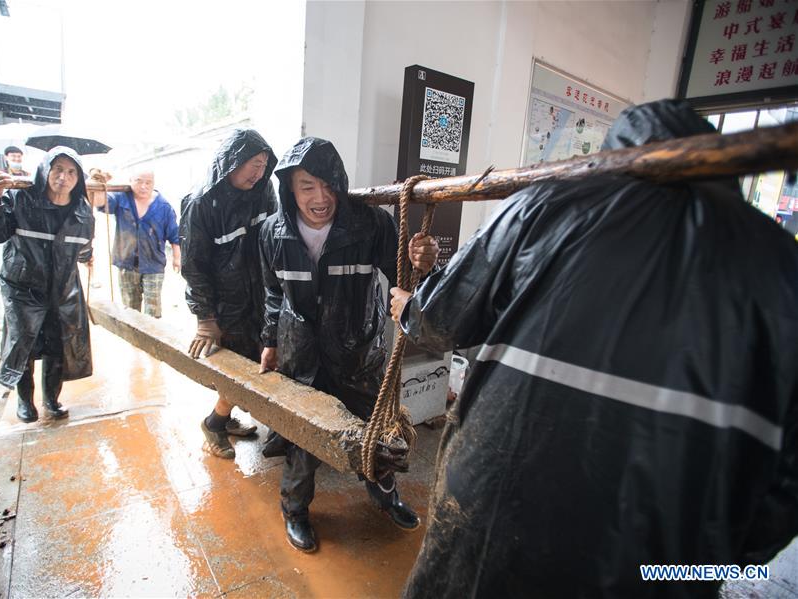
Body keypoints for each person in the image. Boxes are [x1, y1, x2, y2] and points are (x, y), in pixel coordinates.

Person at [389, 100, 798, 598]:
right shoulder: (782, 268)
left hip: (492, 516)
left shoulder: (544, 207)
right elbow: (785, 493)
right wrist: (710, 553)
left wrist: (411, 306)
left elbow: (443, 319)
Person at [258, 137, 439, 553]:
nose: (319, 198)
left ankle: (385, 496)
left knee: (375, 435)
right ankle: (296, 511)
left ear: (339, 183)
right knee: (301, 443)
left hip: (359, 351)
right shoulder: (272, 232)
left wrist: (423, 263)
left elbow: (405, 282)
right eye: (307, 186)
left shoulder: (370, 224)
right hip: (299, 356)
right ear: (290, 189)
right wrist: (270, 342)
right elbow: (272, 293)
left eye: (327, 185)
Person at [0, 146, 95, 423]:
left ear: (78, 179)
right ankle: (25, 402)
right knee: (24, 345)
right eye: (57, 169)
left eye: (71, 171)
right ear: (45, 170)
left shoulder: (83, 214)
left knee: (58, 345)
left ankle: (52, 400)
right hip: (22, 287)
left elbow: (83, 248)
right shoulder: (21, 199)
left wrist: (89, 257)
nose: (63, 177)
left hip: (62, 289)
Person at [180, 129, 277, 457]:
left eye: (264, 164)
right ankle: (215, 423)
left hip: (262, 298)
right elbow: (193, 265)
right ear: (231, 160)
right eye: (253, 162)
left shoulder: (265, 192)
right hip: (226, 303)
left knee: (257, 361)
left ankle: (226, 416)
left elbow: (276, 240)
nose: (259, 172)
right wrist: (206, 318)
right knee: (238, 366)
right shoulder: (201, 203)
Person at [93, 169, 180, 318]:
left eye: (148, 183)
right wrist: (99, 184)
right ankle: (133, 340)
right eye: (139, 181)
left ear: (153, 184)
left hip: (153, 264)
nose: (143, 186)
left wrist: (177, 257)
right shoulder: (122, 198)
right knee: (130, 310)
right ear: (130, 180)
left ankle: (152, 339)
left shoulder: (163, 206)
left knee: (153, 311)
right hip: (126, 263)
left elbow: (174, 234)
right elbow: (100, 203)